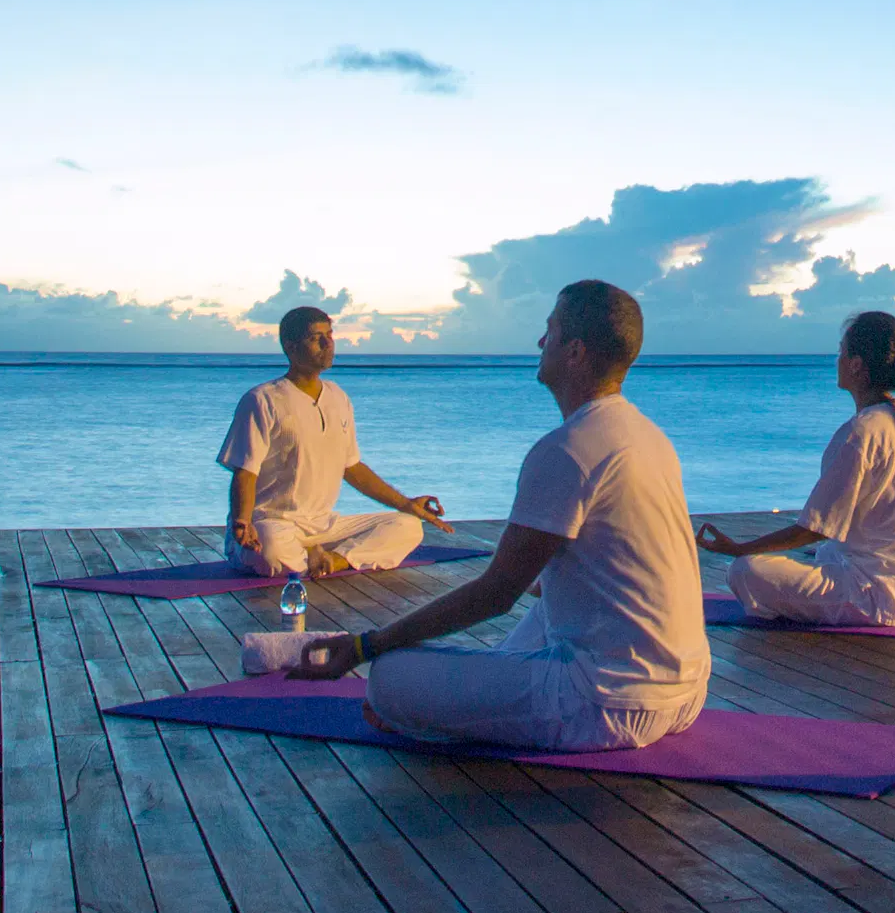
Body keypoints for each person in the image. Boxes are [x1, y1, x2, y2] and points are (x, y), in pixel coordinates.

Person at [290, 281, 709, 753]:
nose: (539, 342)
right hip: (686, 691)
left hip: (610, 703)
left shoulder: (568, 451)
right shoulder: (647, 436)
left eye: (548, 332)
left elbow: (495, 594)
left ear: (573, 351)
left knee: (389, 677)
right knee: (547, 601)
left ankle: (443, 709)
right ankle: (471, 700)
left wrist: (367, 646)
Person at [699, 310, 895, 627]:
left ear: (857, 365)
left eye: (841, 353)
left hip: (884, 598)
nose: (838, 361)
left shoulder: (861, 432)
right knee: (830, 551)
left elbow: (814, 528)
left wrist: (738, 548)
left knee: (745, 571)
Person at [215, 306, 446, 578]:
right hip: (271, 524)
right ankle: (308, 558)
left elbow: (353, 468)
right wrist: (243, 520)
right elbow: (246, 470)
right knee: (271, 549)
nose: (327, 344)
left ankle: (333, 560)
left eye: (330, 335)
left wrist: (407, 504)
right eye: (316, 338)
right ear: (290, 347)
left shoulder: (338, 398)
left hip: (323, 527)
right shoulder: (262, 400)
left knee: (407, 526)